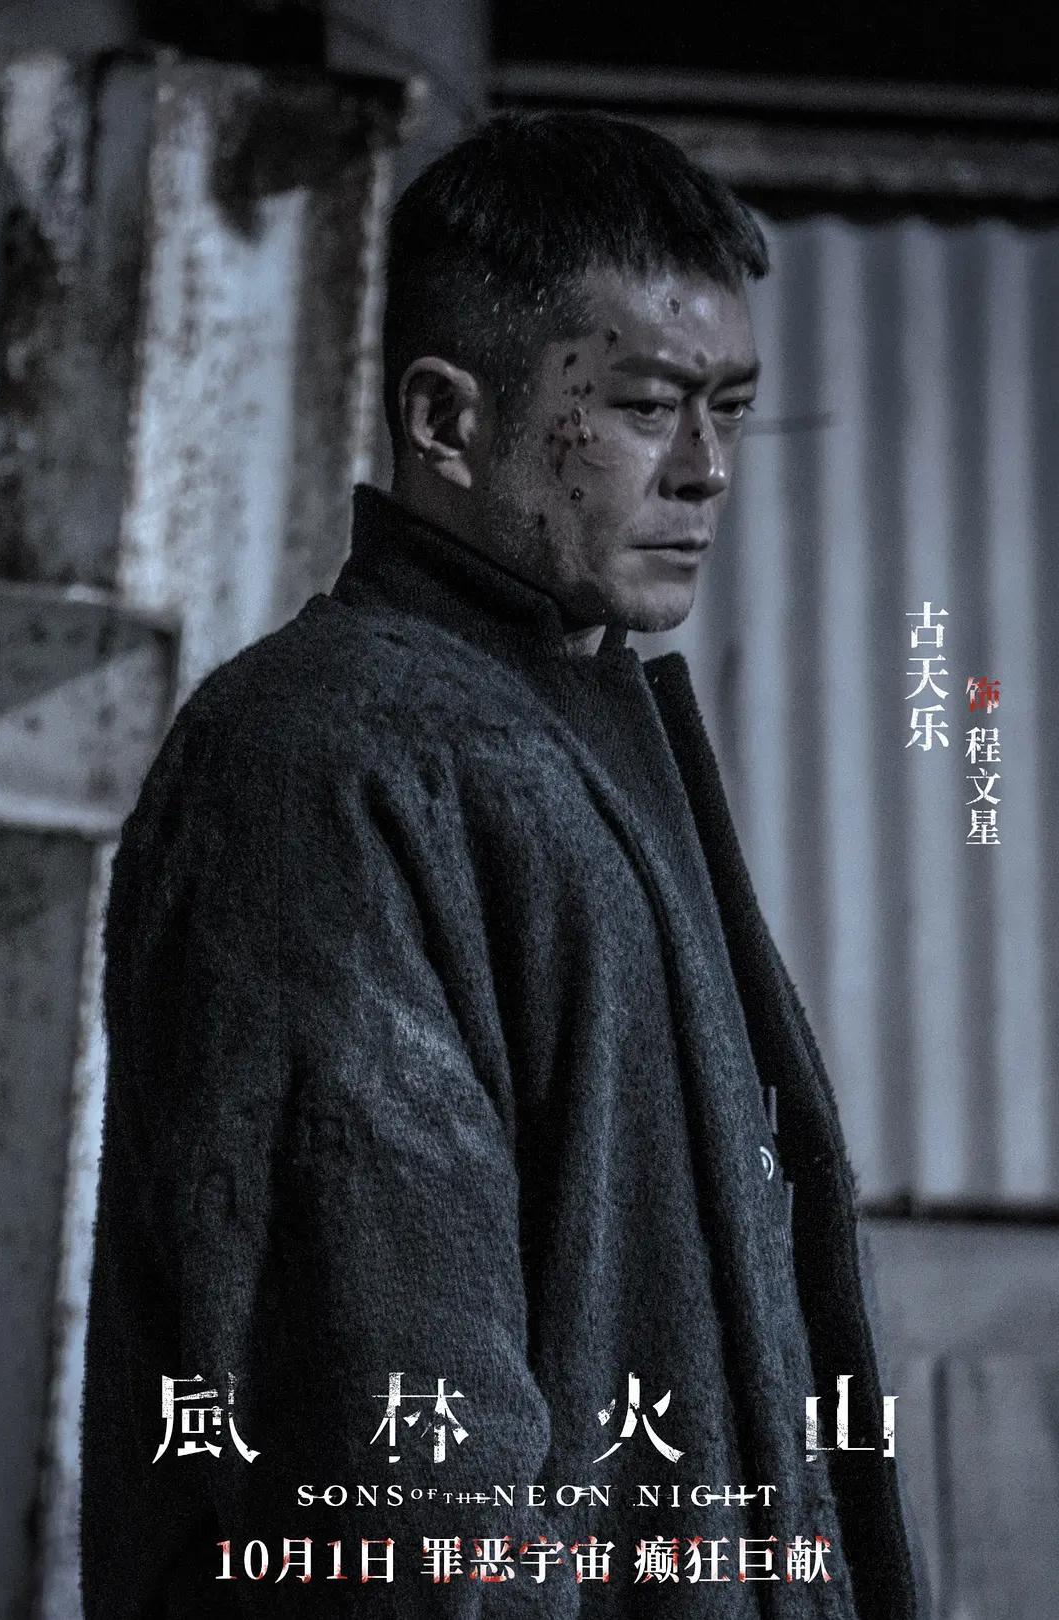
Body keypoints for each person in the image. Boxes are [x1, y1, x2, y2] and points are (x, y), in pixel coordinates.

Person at [81, 112, 929, 1618]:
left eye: (731, 409)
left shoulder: (566, 746)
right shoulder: (326, 761)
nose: (708, 471)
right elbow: (406, 1479)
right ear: (445, 421)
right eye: (648, 406)